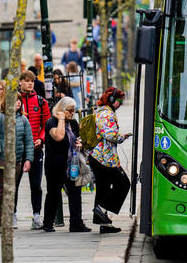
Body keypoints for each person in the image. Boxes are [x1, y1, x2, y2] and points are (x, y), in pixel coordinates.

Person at [42, 97, 90, 233]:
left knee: (75, 192)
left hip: (72, 164)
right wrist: (61, 119)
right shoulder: (51, 122)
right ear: (62, 110)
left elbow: (77, 138)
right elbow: (59, 136)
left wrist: (80, 144)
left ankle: (76, 223)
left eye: (74, 110)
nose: (72, 113)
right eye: (69, 110)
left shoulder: (74, 123)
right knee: (53, 193)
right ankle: (48, 223)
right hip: (55, 165)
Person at [88, 87, 131, 234]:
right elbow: (110, 135)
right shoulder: (107, 114)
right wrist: (122, 137)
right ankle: (100, 209)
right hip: (104, 158)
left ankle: (104, 224)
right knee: (124, 183)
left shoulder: (102, 111)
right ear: (112, 100)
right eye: (119, 101)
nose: (120, 104)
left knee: (103, 189)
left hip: (99, 157)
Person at [0, 93, 34, 231]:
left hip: (17, 160)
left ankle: (3, 220)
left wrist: (29, 159)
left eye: (20, 100)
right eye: (15, 100)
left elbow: (29, 141)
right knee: (5, 189)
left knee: (10, 190)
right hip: (1, 158)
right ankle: (2, 222)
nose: (19, 102)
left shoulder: (23, 119)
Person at [19, 70, 51, 229]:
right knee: (13, 184)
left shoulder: (41, 102)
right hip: (18, 149)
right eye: (26, 80)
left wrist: (41, 138)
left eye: (32, 81)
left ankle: (37, 216)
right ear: (20, 82)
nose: (30, 83)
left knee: (36, 184)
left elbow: (46, 124)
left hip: (36, 147)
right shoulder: (14, 101)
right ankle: (12, 215)